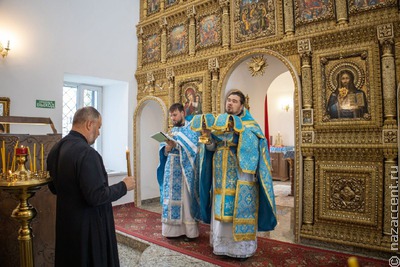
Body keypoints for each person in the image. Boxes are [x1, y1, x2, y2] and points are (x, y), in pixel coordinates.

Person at [47, 106, 135, 267]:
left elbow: (53, 187)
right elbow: (97, 196)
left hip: (66, 223)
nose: (99, 133)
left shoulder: (57, 148)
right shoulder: (87, 153)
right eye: (98, 127)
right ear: (89, 124)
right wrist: (124, 186)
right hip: (88, 229)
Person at [200, 90, 277, 259]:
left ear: (242, 105)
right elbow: (211, 148)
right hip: (221, 173)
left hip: (241, 173)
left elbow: (257, 144)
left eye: (234, 101)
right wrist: (207, 138)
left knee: (240, 206)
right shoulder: (219, 123)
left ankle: (241, 249)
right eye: (228, 100)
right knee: (221, 204)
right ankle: (221, 245)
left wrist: (237, 133)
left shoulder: (250, 125)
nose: (230, 103)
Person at [156, 103, 200, 241]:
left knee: (186, 201)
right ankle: (172, 231)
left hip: (184, 171)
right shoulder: (171, 131)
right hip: (171, 169)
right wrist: (166, 149)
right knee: (170, 199)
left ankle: (189, 232)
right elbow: (164, 148)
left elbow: (194, 148)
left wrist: (177, 145)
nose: (173, 118)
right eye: (171, 116)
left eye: (175, 115)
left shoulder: (191, 129)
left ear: (182, 113)